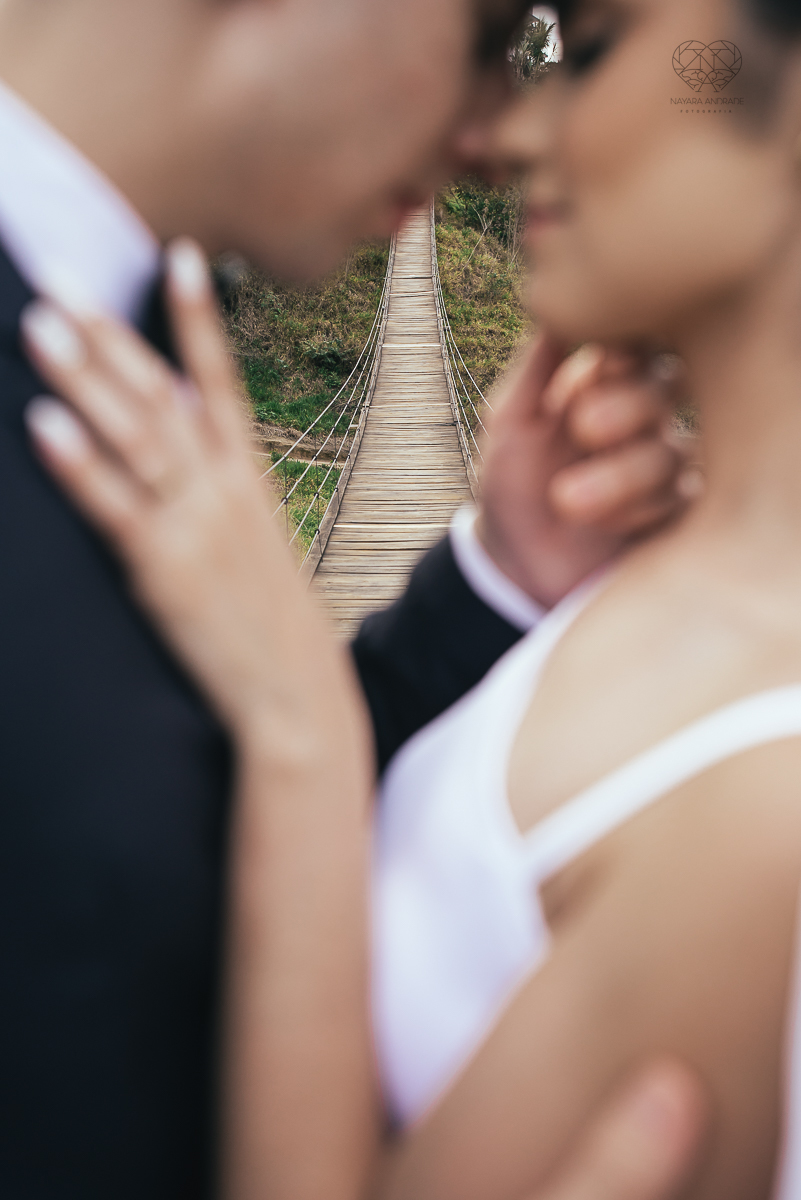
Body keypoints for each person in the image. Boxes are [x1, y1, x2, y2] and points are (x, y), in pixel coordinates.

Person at [22, 0, 801, 1195]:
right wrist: (496, 585)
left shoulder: (757, 794)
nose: (513, 133)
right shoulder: (655, 596)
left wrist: (308, 739)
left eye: (588, 52)